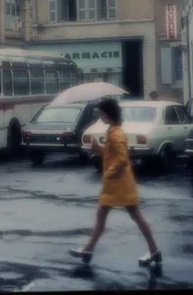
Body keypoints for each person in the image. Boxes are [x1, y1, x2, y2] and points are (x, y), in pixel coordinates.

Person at [70, 97, 162, 268]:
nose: (100, 116)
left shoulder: (116, 133)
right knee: (104, 215)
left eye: (101, 113)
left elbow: (121, 158)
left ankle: (154, 250)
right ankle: (89, 249)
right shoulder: (114, 130)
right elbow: (111, 153)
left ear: (106, 113)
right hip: (117, 184)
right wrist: (97, 148)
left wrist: (109, 174)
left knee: (134, 217)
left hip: (119, 184)